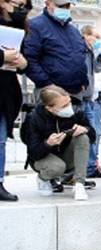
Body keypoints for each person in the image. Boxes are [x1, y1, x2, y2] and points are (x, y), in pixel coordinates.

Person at [23, 86, 94, 200]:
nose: (69, 107)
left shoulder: (76, 111)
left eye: (69, 102)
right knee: (57, 167)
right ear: (49, 108)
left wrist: (85, 129)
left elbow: (93, 137)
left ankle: (79, 184)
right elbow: (33, 152)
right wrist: (48, 143)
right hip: (44, 158)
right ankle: (43, 178)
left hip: (66, 154)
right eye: (64, 106)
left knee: (83, 137)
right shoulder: (34, 118)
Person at [22, 0, 88, 98]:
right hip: (51, 93)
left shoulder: (73, 30)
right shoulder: (35, 26)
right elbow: (29, 59)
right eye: (60, 6)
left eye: (67, 6)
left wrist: (84, 82)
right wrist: (47, 84)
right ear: (47, 3)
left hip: (76, 92)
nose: (65, 9)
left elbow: (80, 57)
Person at [0, 0, 29, 202]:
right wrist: (3, 55)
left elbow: (23, 59)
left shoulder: (18, 26)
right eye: (17, 3)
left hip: (6, 92)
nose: (21, 7)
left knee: (0, 141)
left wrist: (22, 62)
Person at [79, 25, 101, 179]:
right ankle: (88, 167)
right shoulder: (83, 51)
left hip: (91, 98)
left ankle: (91, 166)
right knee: (91, 133)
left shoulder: (93, 54)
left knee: (94, 134)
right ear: (85, 35)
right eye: (95, 36)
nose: (97, 40)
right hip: (87, 97)